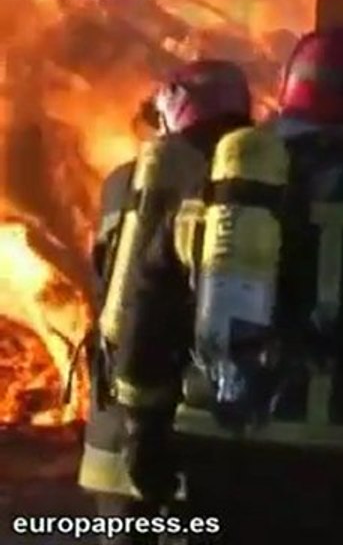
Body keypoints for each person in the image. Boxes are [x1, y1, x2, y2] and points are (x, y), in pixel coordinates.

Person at [113, 25, 343, 545]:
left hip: (210, 445)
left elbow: (149, 300)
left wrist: (145, 426)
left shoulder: (222, 174)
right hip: (320, 459)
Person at [76, 59, 254, 545]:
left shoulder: (122, 183)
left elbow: (104, 284)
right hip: (205, 430)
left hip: (115, 432)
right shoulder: (250, 191)